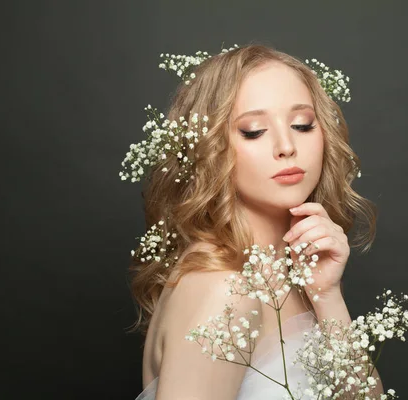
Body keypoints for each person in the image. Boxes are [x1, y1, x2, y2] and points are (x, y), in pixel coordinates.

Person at [125, 43, 383, 399]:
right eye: (253, 131)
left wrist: (328, 298)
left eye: (302, 124)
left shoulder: (287, 270)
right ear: (209, 148)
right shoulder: (225, 290)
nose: (286, 145)